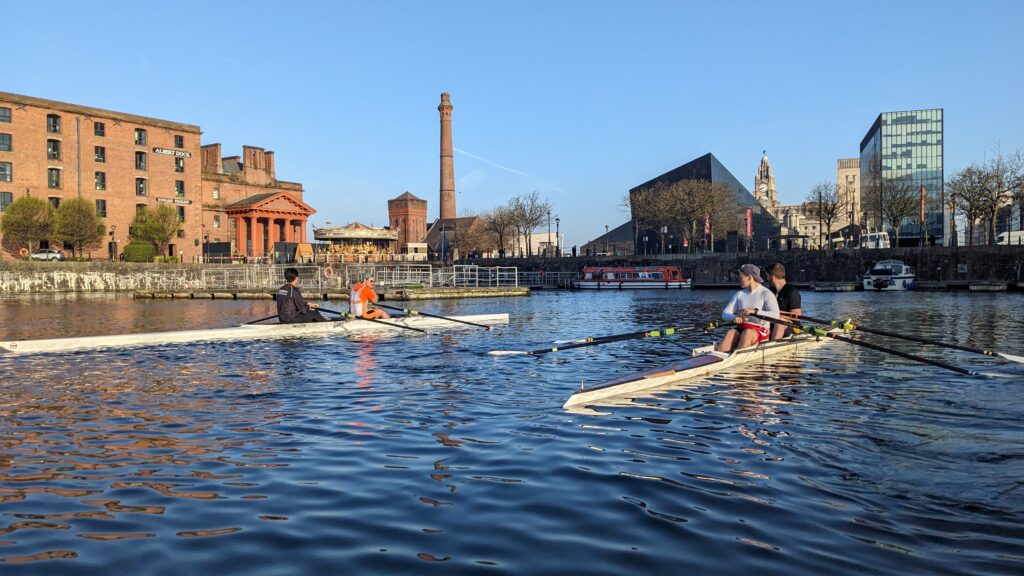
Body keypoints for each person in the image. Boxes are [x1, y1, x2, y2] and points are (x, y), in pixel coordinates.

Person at [718, 264, 780, 353]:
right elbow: (725, 314)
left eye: (740, 276)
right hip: (742, 328)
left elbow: (776, 316)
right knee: (730, 333)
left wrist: (755, 311)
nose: (738, 278)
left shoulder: (766, 293)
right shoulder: (739, 294)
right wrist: (734, 317)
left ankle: (737, 359)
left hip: (760, 331)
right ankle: (719, 358)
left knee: (747, 333)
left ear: (749, 277)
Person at [766, 262, 802, 340]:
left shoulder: (792, 292)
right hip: (772, 323)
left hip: (792, 327)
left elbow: (797, 316)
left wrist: (777, 314)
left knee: (780, 321)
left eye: (767, 276)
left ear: (772, 278)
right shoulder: (769, 292)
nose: (766, 279)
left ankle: (773, 344)